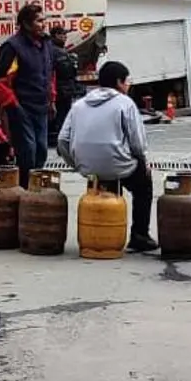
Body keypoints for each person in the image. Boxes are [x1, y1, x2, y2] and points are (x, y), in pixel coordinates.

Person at [57, 61, 158, 252]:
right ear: (119, 82)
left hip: (88, 168)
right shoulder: (125, 103)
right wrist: (143, 162)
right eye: (127, 81)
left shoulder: (79, 105)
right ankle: (139, 235)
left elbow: (63, 140)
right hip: (118, 165)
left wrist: (77, 165)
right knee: (143, 184)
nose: (128, 85)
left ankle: (102, 230)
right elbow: (137, 143)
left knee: (108, 178)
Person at [0, 3, 55, 188]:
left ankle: (36, 188)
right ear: (26, 24)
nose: (43, 24)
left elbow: (50, 74)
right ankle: (24, 189)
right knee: (28, 151)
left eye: (44, 20)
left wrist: (52, 99)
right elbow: (0, 81)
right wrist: (13, 106)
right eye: (39, 21)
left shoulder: (46, 43)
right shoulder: (12, 47)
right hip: (21, 107)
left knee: (42, 150)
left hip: (42, 106)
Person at [49, 25, 80, 139]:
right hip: (60, 90)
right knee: (61, 116)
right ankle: (61, 140)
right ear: (56, 35)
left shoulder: (61, 50)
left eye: (65, 34)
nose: (65, 37)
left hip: (65, 89)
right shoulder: (54, 50)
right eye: (62, 34)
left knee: (65, 115)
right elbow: (63, 71)